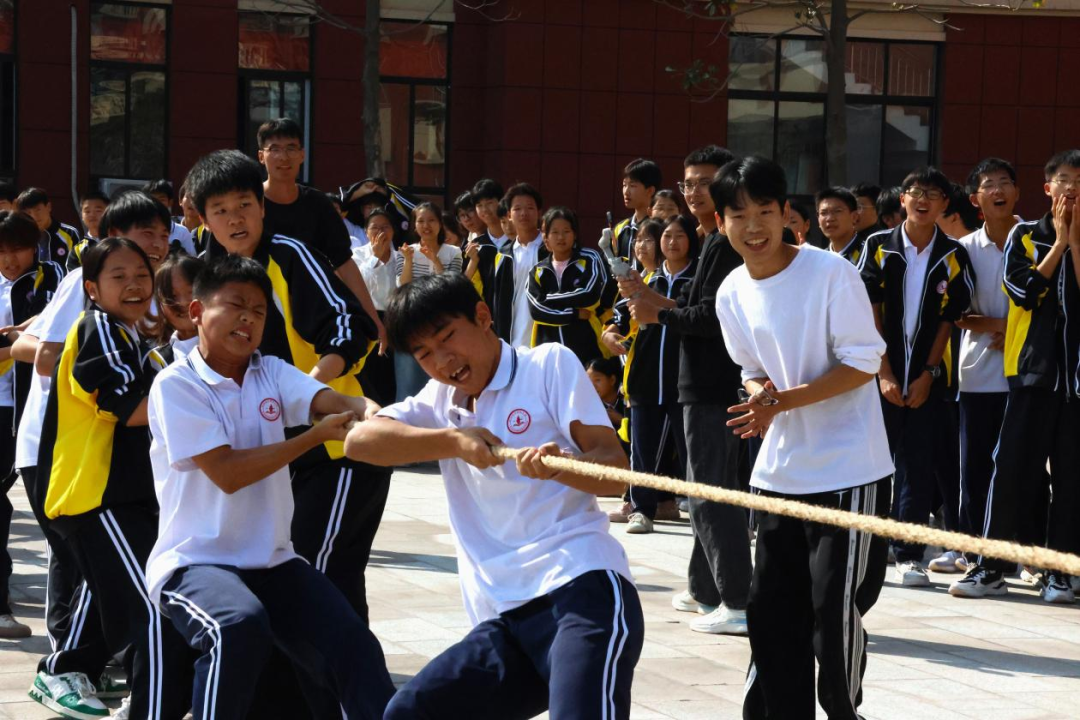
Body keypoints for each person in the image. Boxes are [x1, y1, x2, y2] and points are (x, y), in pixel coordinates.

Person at [344, 272, 643, 720]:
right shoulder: (440, 400)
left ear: (483, 316)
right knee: (408, 712)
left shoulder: (547, 365)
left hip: (582, 590)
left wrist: (561, 465)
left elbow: (615, 472)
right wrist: (453, 441)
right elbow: (360, 442)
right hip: (503, 619)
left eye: (447, 337)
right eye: (424, 354)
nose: (443, 361)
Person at [185, 149, 390, 716]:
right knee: (301, 581)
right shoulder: (204, 277)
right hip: (274, 460)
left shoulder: (291, 255)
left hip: (336, 447)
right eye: (220, 209)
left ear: (262, 205)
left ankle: (342, 705)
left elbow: (349, 326)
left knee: (313, 582)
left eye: (244, 204)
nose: (235, 218)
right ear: (200, 217)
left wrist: (304, 390)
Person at [146, 255, 395, 720]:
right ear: (197, 311)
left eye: (259, 311)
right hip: (194, 562)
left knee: (353, 643)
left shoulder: (271, 371)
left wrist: (370, 410)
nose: (248, 319)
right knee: (236, 626)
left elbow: (329, 400)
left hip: (273, 561)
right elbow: (228, 473)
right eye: (236, 305)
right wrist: (312, 438)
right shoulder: (176, 384)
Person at [712, 155, 892, 720]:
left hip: (849, 470)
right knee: (769, 612)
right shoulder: (731, 291)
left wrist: (781, 402)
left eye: (765, 211)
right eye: (739, 215)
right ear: (719, 222)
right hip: (779, 473)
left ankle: (844, 713)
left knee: (831, 613)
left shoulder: (829, 273)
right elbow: (750, 367)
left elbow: (863, 362)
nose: (753, 227)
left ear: (786, 213)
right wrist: (760, 393)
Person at [19, 191, 171, 715]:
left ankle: (67, 669)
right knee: (148, 598)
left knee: (103, 587)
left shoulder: (130, 335)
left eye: (142, 275)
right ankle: (147, 701)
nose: (135, 284)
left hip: (115, 491)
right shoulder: (98, 327)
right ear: (92, 287)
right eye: (119, 276)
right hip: (97, 491)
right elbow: (130, 408)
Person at [626, 145, 753, 636]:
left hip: (713, 384)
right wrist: (652, 299)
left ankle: (737, 600)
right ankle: (705, 588)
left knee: (710, 493)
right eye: (688, 183)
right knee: (704, 487)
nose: (695, 191)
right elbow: (693, 305)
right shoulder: (709, 240)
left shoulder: (724, 243)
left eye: (705, 182)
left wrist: (658, 313)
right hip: (700, 383)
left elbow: (713, 318)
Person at [958, 149, 1080, 603]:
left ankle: (1059, 574)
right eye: (1064, 179)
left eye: (1079, 181)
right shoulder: (1026, 235)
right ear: (1048, 188)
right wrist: (1060, 244)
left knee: (1071, 480)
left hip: (1077, 381)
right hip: (1032, 373)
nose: (1072, 188)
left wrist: (1076, 243)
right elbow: (1024, 291)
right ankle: (990, 566)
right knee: (1010, 470)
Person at [857, 167, 973, 587]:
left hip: (928, 378)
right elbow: (868, 310)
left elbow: (948, 319)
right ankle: (867, 546)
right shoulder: (877, 246)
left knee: (917, 465)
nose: (923, 200)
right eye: (915, 192)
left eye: (933, 194)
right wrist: (884, 372)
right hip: (879, 374)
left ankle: (908, 554)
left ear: (945, 204)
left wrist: (928, 373)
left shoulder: (953, 254)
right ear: (902, 198)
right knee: (873, 462)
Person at [946, 158, 1020, 593]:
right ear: (975, 199)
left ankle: (1023, 554)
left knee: (1023, 468)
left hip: (1028, 372)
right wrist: (1001, 326)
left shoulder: (1037, 238)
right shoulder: (964, 248)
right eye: (989, 184)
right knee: (975, 467)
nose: (998, 190)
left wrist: (1014, 330)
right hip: (978, 373)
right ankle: (978, 554)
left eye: (1005, 182)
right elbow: (955, 312)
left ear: (1017, 192)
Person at [251, 119, 386, 349]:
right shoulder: (250, 204)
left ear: (302, 155)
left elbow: (344, 263)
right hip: (260, 311)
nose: (283, 157)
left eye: (291, 148)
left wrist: (373, 319)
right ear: (261, 156)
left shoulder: (318, 204)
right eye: (274, 149)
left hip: (312, 316)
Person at [607, 215, 698, 534]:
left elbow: (696, 316)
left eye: (679, 235)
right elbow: (620, 318)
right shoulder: (648, 278)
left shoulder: (697, 279)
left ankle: (702, 511)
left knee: (690, 451)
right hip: (645, 377)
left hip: (686, 380)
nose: (672, 242)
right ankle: (641, 510)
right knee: (642, 448)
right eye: (667, 236)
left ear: (691, 240)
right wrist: (611, 333)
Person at [0, 211, 53, 641]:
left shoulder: (53, 280)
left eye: (17, 249)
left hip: (28, 411)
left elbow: (52, 338)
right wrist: (13, 344)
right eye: (0, 251)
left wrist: (14, 345)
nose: (9, 260)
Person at [527, 206, 608, 364]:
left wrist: (548, 299)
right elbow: (537, 310)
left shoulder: (590, 258)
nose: (561, 237)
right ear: (546, 237)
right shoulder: (537, 271)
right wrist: (574, 314)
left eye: (566, 231)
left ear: (575, 234)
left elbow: (590, 295)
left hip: (587, 348)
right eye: (554, 232)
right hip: (547, 353)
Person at [489, 183, 546, 348]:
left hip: (545, 338)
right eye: (517, 209)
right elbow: (497, 301)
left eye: (530, 208)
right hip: (512, 341)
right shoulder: (503, 255)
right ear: (509, 215)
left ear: (539, 212)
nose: (523, 213)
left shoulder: (550, 250)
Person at [354, 209, 400, 407]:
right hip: (367, 317)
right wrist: (375, 257)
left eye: (385, 227)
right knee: (369, 372)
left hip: (394, 317)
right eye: (375, 227)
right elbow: (358, 285)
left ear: (393, 231)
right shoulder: (357, 254)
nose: (380, 232)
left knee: (391, 373)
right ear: (366, 231)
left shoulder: (401, 256)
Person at [152, 253, 204, 365]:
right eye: (172, 295)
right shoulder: (156, 361)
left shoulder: (236, 347)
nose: (183, 302)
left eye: (192, 292)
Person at [15, 187, 81, 268]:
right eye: (28, 212)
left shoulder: (70, 233)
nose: (34, 216)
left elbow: (79, 266)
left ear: (48, 207)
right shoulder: (21, 236)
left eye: (38, 210)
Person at [615, 158, 662, 266]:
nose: (626, 191)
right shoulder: (621, 228)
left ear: (650, 190)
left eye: (632, 186)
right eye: (624, 185)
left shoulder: (660, 228)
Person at [585, 356, 630, 459]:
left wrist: (620, 420)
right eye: (589, 382)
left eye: (597, 380)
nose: (593, 386)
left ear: (612, 380)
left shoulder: (626, 400)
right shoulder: (590, 407)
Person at [143, 179, 196, 255]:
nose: (157, 204)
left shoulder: (182, 232)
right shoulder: (139, 229)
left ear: (170, 202)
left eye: (161, 200)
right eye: (152, 199)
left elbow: (192, 260)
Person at [816, 186, 865, 264]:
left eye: (837, 211)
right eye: (824, 213)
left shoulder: (868, 253)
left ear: (854, 217)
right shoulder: (818, 260)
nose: (830, 218)